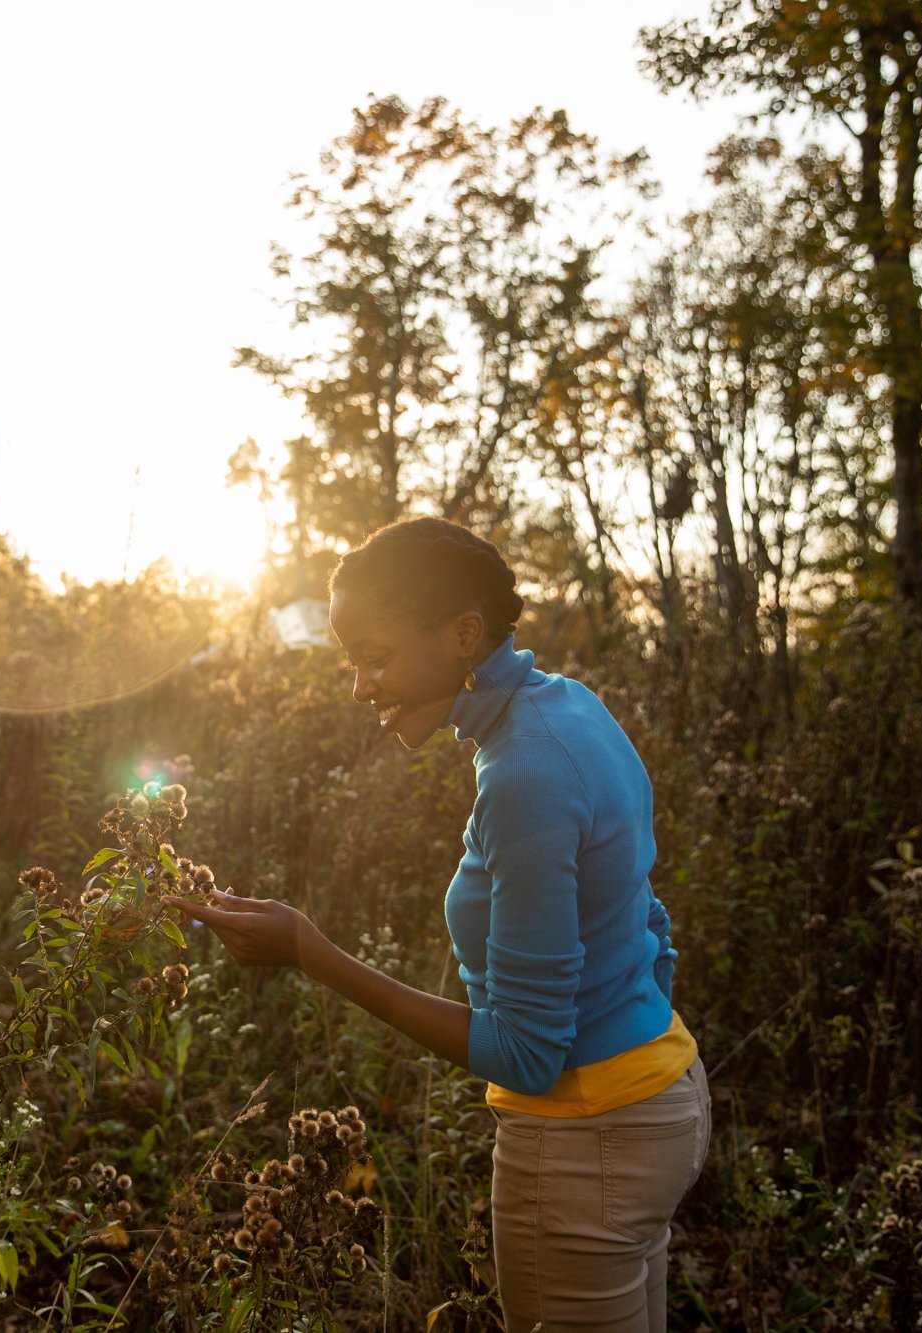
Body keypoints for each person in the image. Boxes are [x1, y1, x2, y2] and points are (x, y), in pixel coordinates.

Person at [169, 517, 709, 1332]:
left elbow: (529, 1056)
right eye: (350, 658)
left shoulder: (524, 771)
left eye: (375, 655)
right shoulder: (569, 710)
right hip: (662, 1099)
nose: (360, 685)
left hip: (585, 1140)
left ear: (464, 634)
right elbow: (645, 913)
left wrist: (312, 954)